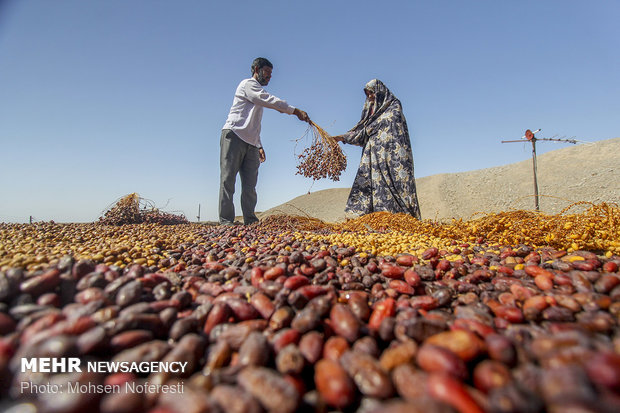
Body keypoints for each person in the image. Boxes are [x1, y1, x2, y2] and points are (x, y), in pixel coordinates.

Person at [219, 57, 310, 226]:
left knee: (250, 185)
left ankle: (250, 221)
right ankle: (226, 221)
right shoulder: (248, 85)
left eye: (270, 74)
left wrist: (259, 144)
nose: (269, 77)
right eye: (267, 72)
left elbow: (254, 124)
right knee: (228, 179)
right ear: (256, 69)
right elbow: (267, 99)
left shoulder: (257, 94)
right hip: (234, 135)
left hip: (252, 143)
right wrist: (294, 110)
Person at [333, 79, 421, 219]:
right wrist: (342, 137)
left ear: (379, 92)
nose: (370, 97)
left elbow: (387, 126)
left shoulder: (394, 106)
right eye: (367, 94)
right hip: (372, 156)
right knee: (371, 184)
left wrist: (369, 130)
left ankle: (398, 218)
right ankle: (371, 219)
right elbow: (363, 131)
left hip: (392, 158)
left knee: (394, 185)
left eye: (372, 93)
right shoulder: (371, 112)